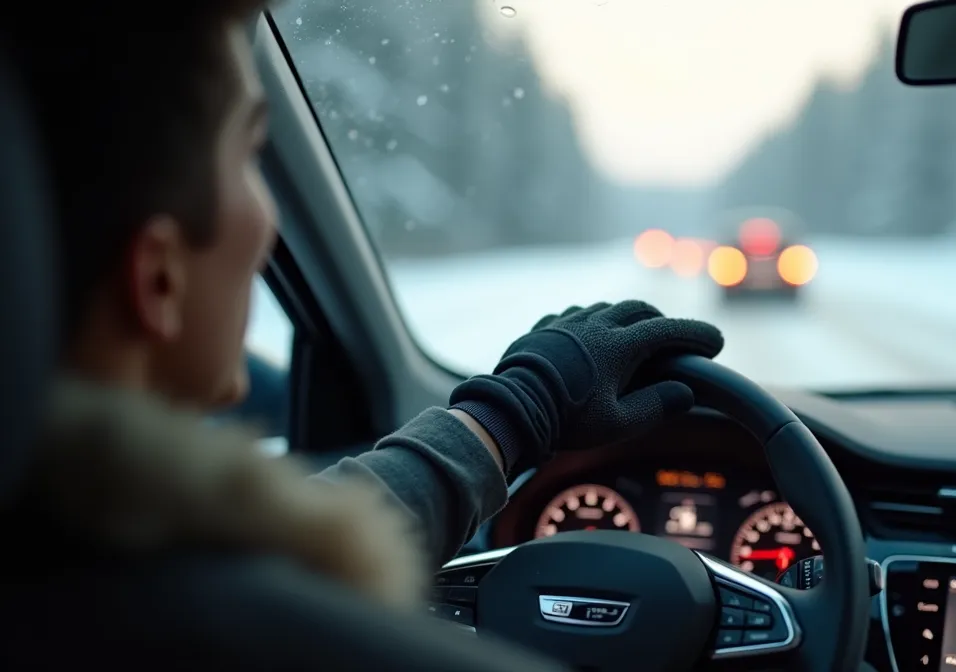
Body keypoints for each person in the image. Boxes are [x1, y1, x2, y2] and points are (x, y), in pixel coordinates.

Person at [0, 0, 722, 637]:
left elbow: (299, 535)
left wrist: (514, 414)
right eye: (253, 152)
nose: (270, 218)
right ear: (158, 277)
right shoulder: (217, 622)